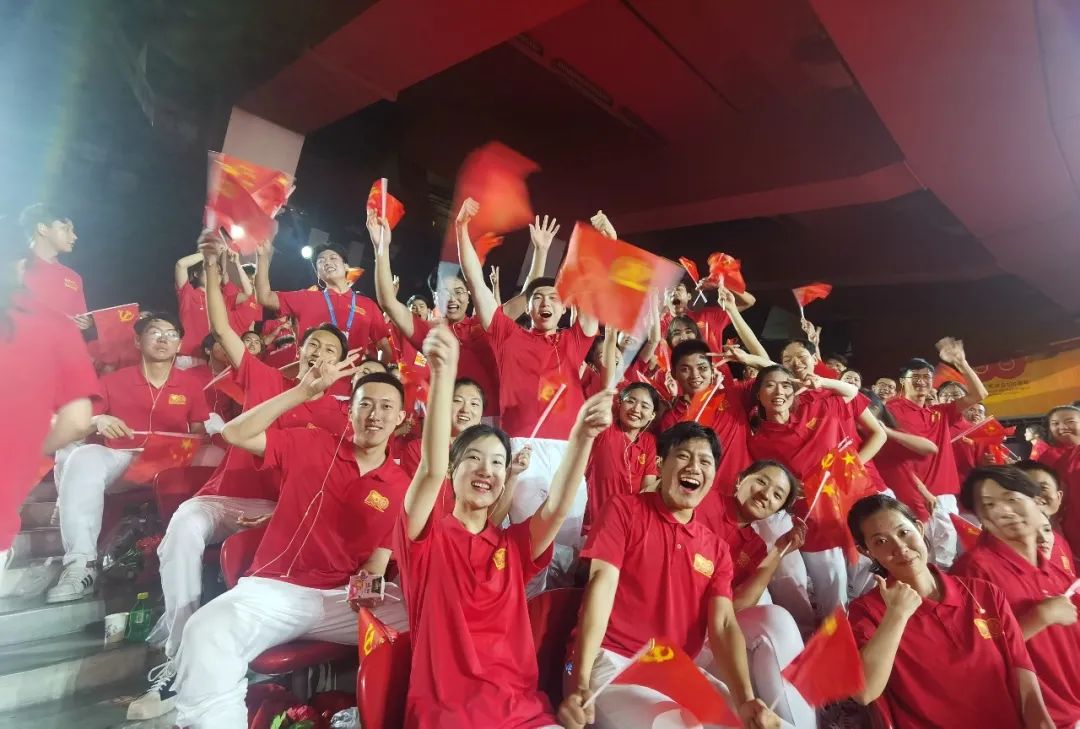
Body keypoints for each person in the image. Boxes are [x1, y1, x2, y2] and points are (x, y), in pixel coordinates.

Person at [127, 239, 351, 720]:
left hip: (280, 512)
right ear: (299, 346)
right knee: (183, 526)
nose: (319, 354)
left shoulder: (343, 416)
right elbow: (222, 328)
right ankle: (178, 653)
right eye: (313, 345)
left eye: (331, 351)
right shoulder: (266, 379)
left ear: (341, 365)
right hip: (227, 497)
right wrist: (212, 267)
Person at [393, 323, 611, 729]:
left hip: (522, 713)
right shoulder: (424, 538)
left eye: (497, 462)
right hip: (448, 716)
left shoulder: (512, 546)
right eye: (474, 459)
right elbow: (430, 469)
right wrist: (442, 376)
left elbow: (557, 507)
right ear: (454, 470)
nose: (486, 470)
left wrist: (581, 436)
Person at [173, 366, 409, 729]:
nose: (374, 414)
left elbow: (377, 563)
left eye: (386, 407)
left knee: (429, 617)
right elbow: (235, 433)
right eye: (365, 404)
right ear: (350, 411)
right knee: (205, 631)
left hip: (339, 599)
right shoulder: (312, 443)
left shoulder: (400, 485)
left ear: (401, 418)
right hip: (276, 591)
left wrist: (366, 591)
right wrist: (301, 392)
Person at [559, 422, 783, 729]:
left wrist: (745, 698)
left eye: (705, 461)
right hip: (609, 662)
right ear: (660, 464)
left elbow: (724, 624)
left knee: (752, 723)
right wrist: (580, 680)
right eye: (684, 456)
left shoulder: (716, 549)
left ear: (714, 475)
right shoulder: (623, 510)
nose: (694, 467)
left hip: (672, 669)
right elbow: (602, 585)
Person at [455, 198, 599, 545]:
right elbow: (475, 282)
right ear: (528, 307)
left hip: (567, 451)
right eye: (538, 299)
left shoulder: (574, 341)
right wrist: (461, 229)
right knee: (521, 543)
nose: (546, 303)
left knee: (566, 547)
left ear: (564, 308)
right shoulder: (508, 335)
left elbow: (595, 297)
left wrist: (602, 244)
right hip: (522, 448)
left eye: (553, 298)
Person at [846, 494, 1053, 728]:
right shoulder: (868, 611)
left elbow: (1022, 674)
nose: (900, 547)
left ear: (919, 528)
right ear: (866, 551)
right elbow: (864, 693)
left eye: (903, 532)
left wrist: (1042, 723)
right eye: (881, 542)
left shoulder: (983, 592)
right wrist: (897, 615)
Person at [47, 312, 209, 603]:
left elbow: (198, 432)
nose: (163, 339)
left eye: (171, 334)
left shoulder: (190, 384)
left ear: (179, 345)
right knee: (84, 456)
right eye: (154, 332)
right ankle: (81, 564)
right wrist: (97, 420)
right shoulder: (112, 381)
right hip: (123, 459)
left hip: (171, 462)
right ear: (137, 340)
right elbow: (73, 423)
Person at [747, 365, 886, 618]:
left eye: (786, 385)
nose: (779, 392)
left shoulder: (819, 409)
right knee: (833, 596)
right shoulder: (758, 442)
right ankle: (837, 637)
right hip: (815, 523)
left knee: (869, 580)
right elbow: (771, 486)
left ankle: (869, 629)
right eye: (770, 385)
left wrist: (822, 382)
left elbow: (852, 393)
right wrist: (790, 488)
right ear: (758, 394)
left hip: (852, 509)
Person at [0, 214, 97, 564]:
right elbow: (77, 420)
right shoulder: (43, 318)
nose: (74, 234)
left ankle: (60, 499)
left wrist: (81, 326)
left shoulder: (72, 278)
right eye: (65, 226)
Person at [951, 466, 1080, 728]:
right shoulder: (975, 570)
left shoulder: (1051, 564)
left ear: (1037, 502)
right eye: (988, 505)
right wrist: (1040, 616)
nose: (1004, 510)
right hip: (1042, 716)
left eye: (1012, 498)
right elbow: (976, 655)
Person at [369, 210, 502, 416]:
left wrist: (541, 252)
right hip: (441, 420)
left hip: (487, 420)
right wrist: (381, 248)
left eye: (458, 292)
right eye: (445, 293)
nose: (452, 299)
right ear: (435, 297)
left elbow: (530, 299)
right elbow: (388, 301)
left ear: (469, 295)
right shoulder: (430, 332)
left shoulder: (487, 324)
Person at [884, 340, 988, 569]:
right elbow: (892, 460)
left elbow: (979, 394)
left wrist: (961, 362)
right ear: (903, 381)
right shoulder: (891, 411)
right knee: (919, 554)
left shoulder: (940, 412)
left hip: (945, 494)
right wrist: (923, 492)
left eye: (927, 377)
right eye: (915, 376)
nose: (922, 381)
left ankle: (943, 589)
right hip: (912, 494)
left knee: (947, 556)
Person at [255, 238, 393, 362]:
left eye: (333, 258)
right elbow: (265, 297)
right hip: (309, 378)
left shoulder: (368, 305)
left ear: (346, 267)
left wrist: (376, 372)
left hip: (350, 380)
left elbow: (384, 347)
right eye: (321, 261)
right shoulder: (306, 298)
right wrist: (262, 258)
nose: (327, 262)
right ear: (318, 274)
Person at [581, 382, 661, 537]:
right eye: (630, 401)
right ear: (619, 403)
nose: (636, 409)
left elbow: (648, 488)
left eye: (645, 406)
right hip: (591, 526)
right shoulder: (605, 429)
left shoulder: (649, 441)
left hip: (627, 528)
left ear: (652, 415)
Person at [174, 241, 258, 361]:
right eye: (208, 270)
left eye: (217, 272)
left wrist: (237, 263)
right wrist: (210, 253)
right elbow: (181, 265)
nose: (213, 275)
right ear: (196, 274)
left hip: (217, 359)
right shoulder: (187, 293)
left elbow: (248, 292)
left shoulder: (223, 299)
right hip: (189, 358)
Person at [17, 203, 90, 324]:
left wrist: (86, 324)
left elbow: (81, 321)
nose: (74, 236)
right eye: (65, 229)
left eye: (72, 230)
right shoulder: (14, 269)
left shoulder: (73, 278)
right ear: (43, 229)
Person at [1034, 406, 1080, 559]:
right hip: (1072, 528)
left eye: (1070, 421)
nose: (1062, 427)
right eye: (1055, 423)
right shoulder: (1049, 457)